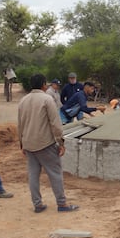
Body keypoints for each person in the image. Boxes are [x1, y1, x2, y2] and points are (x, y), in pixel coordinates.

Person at [18, 74, 79, 213]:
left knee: (33, 174)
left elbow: (20, 124)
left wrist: (21, 143)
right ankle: (62, 204)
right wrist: (60, 142)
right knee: (55, 173)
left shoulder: (23, 100)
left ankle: (37, 204)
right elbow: (55, 123)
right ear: (44, 84)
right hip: (45, 143)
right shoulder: (47, 99)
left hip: (29, 143)